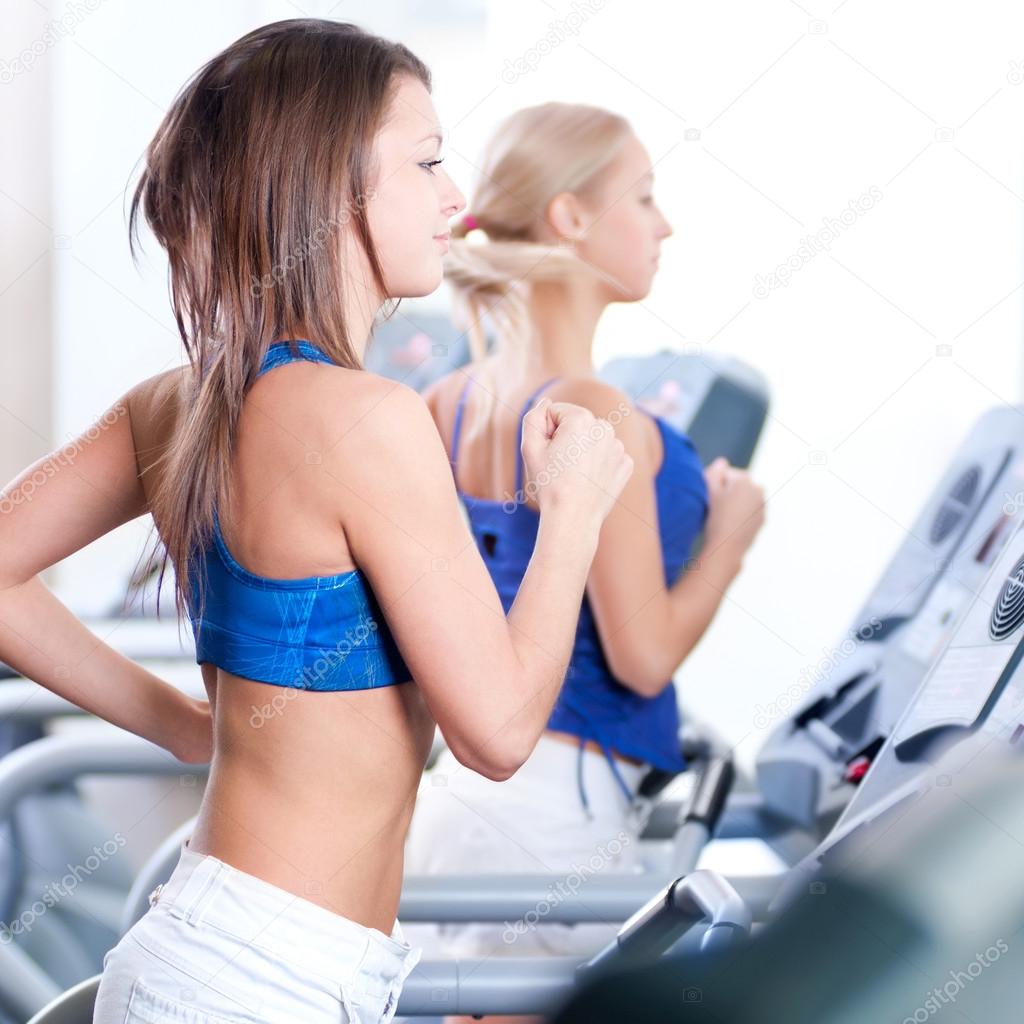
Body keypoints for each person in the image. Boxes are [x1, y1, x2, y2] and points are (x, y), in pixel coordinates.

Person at [0, 20, 633, 1024]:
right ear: (333, 185)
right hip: (261, 981)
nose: (455, 196)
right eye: (426, 162)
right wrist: (575, 508)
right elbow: (500, 732)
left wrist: (182, 728)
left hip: (221, 954)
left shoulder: (178, 401)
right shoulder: (369, 422)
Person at [404, 101, 765, 1024]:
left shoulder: (445, 402)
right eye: (643, 197)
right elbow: (641, 655)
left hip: (458, 812)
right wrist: (728, 538)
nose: (664, 224)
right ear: (568, 217)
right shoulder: (593, 407)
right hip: (557, 819)